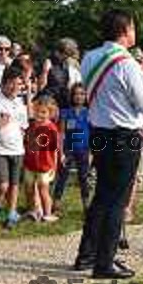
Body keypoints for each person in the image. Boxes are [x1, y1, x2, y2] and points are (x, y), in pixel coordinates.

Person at [74, 9, 143, 278]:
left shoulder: (89, 57)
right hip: (123, 136)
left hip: (99, 132)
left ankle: (87, 255)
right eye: (133, 27)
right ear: (125, 31)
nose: (135, 32)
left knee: (102, 196)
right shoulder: (127, 64)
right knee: (116, 201)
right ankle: (105, 262)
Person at [0, 67, 29, 230]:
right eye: (11, 83)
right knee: (2, 185)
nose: (15, 87)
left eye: (18, 84)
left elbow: (24, 126)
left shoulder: (20, 103)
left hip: (17, 150)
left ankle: (12, 213)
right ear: (3, 83)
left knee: (14, 184)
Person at [52, 83, 91, 213]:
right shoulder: (65, 112)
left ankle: (86, 205)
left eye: (82, 94)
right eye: (76, 94)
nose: (79, 97)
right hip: (68, 149)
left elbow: (93, 134)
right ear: (72, 96)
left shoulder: (89, 113)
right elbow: (61, 133)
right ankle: (56, 204)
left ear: (85, 96)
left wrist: (92, 153)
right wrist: (61, 152)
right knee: (62, 176)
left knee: (83, 177)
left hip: (84, 150)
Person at [23, 95, 61, 222]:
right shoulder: (32, 126)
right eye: (37, 111)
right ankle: (32, 211)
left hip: (45, 166)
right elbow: (29, 143)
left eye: (43, 112)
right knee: (28, 188)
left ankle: (47, 213)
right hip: (30, 164)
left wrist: (54, 166)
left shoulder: (52, 129)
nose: (39, 114)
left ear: (50, 113)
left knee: (43, 189)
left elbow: (55, 150)